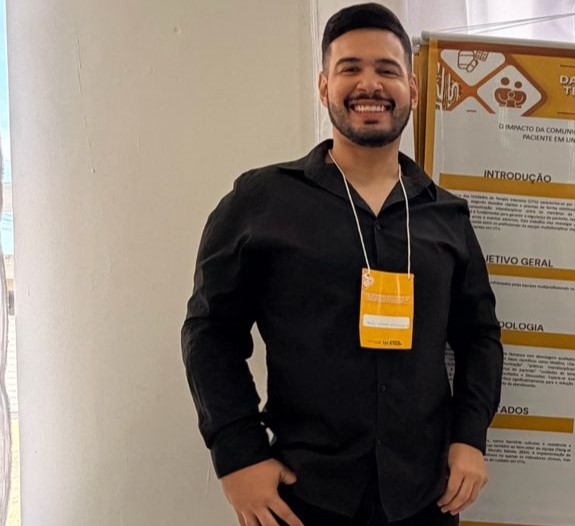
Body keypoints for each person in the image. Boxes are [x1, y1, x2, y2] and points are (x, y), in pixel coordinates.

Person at [181, 3, 503, 526]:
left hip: (424, 497)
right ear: (324, 86)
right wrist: (237, 452)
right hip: (302, 494)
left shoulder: (445, 215)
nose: (369, 84)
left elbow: (480, 336)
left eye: (387, 70)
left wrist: (470, 436)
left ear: (412, 90)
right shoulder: (262, 201)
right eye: (350, 68)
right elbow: (210, 330)